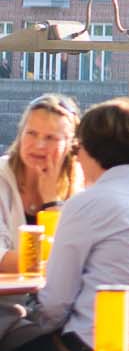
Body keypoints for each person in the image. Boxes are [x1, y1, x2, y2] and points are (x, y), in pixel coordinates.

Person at [0, 97, 129, 351]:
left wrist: (38, 322)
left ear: (87, 150)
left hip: (97, 347)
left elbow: (56, 303)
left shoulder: (86, 201)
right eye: (31, 134)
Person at [0, 93, 81, 273]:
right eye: (31, 133)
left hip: (57, 298)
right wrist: (51, 263)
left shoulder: (82, 187)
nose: (39, 145)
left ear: (70, 145)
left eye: (51, 138)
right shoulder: (2, 177)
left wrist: (53, 203)